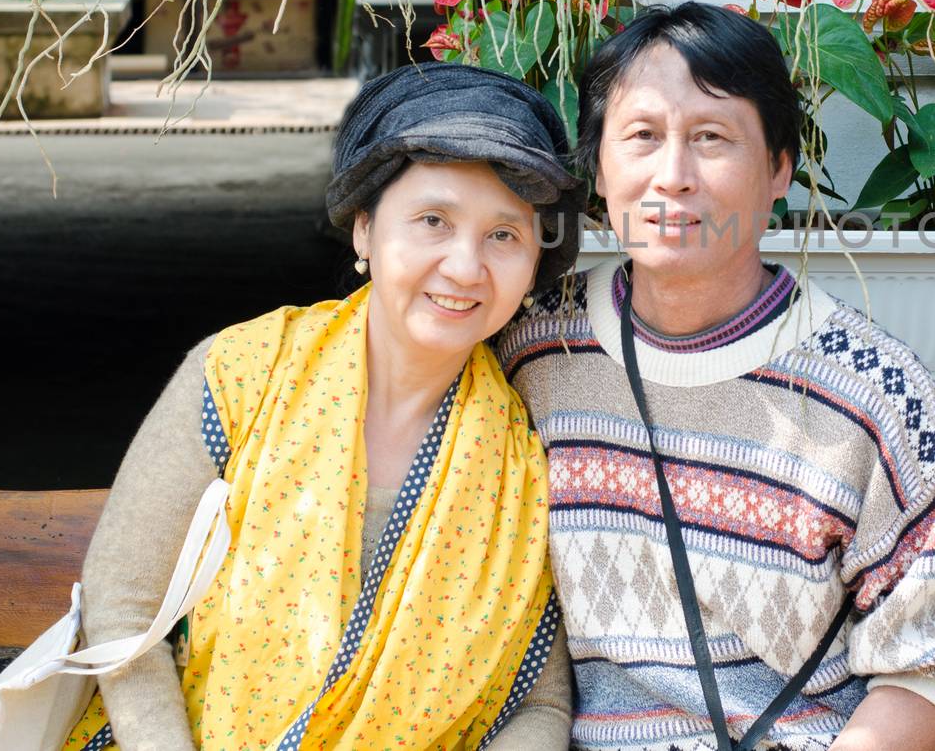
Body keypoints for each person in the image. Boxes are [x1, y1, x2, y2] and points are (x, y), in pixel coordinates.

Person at [496, 2, 935, 751]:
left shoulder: (871, 390)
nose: (672, 177)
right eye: (641, 137)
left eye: (711, 138)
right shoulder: (533, 354)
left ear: (780, 168)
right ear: (597, 169)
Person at [65, 62, 584, 751]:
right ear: (365, 230)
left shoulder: (528, 450)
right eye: (433, 220)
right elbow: (123, 609)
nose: (466, 266)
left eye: (504, 235)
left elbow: (536, 703)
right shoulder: (243, 374)